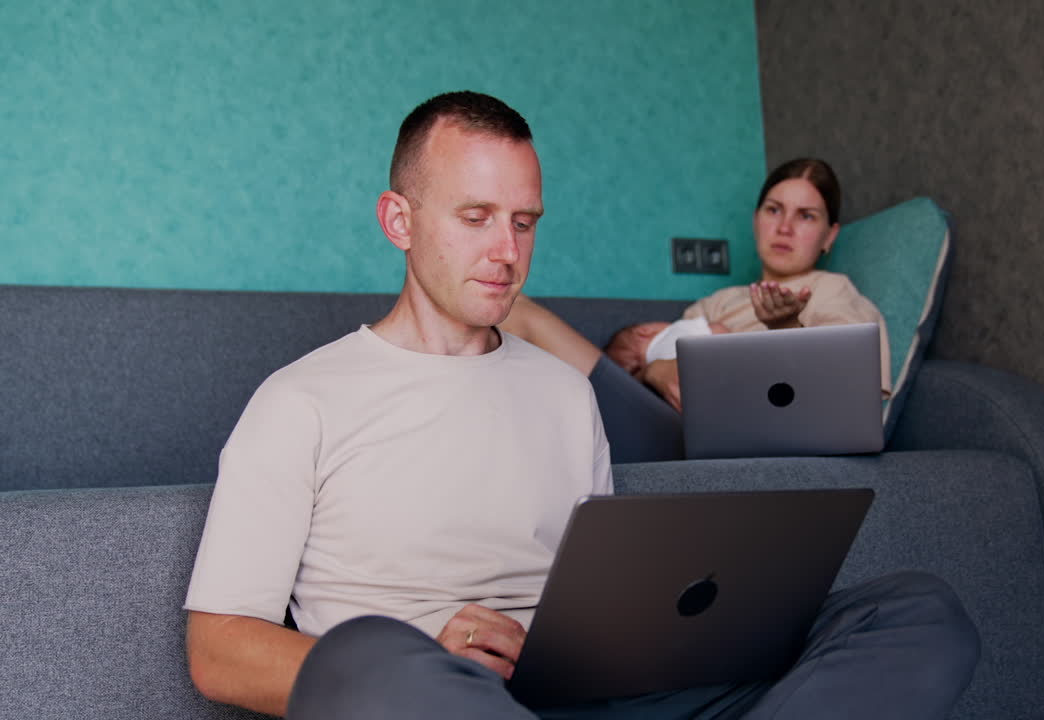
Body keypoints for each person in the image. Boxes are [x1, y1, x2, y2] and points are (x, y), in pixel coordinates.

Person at [183, 91, 979, 720]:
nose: (506, 252)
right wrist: (428, 647)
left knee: (915, 611)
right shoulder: (300, 400)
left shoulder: (565, 395)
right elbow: (217, 650)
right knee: (367, 658)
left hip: (605, 691)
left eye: (524, 223)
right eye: (475, 218)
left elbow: (599, 588)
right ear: (400, 220)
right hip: (432, 695)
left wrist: (662, 633)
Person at [501, 158, 891, 463]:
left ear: (830, 235)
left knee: (519, 312)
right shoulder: (720, 301)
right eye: (774, 210)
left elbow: (850, 404)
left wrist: (785, 326)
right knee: (515, 314)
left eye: (806, 216)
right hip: (659, 413)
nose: (785, 227)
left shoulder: (834, 292)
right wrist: (656, 369)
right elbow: (661, 358)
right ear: (756, 219)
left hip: (709, 437)